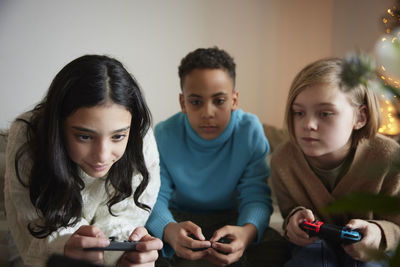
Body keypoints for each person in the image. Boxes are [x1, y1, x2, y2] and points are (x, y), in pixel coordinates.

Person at [4, 55, 163, 267]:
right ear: (57, 128)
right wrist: (63, 246)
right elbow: (35, 233)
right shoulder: (28, 136)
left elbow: (126, 219)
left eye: (117, 136)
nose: (102, 156)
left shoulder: (140, 139)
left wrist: (129, 253)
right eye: (85, 136)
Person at [146, 47, 287, 267]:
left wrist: (245, 233)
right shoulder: (166, 133)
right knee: (145, 246)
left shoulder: (249, 131)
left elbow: (256, 194)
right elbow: (155, 196)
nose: (208, 112)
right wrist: (169, 230)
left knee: (277, 248)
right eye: (196, 102)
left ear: (234, 100)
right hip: (180, 218)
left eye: (219, 101)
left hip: (231, 219)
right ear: (183, 103)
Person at [270, 57, 400, 266]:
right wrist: (293, 222)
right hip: (314, 248)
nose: (308, 124)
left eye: (325, 114)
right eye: (299, 113)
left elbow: (397, 226)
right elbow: (289, 212)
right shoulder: (283, 161)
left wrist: (378, 233)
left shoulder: (388, 158)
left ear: (360, 117)